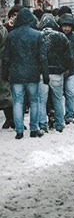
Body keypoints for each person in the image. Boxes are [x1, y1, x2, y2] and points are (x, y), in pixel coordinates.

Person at [2, 8, 48, 139]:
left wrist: (5, 74)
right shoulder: (37, 34)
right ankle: (33, 129)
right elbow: (42, 57)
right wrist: (45, 74)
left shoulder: (11, 35)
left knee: (17, 102)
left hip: (16, 74)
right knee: (34, 101)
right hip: (33, 73)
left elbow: (6, 58)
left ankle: (19, 131)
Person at [39, 15, 74, 133]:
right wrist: (65, 69)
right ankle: (60, 124)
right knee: (58, 99)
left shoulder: (39, 36)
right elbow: (69, 56)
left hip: (42, 73)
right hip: (57, 73)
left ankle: (43, 124)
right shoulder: (62, 37)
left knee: (41, 100)